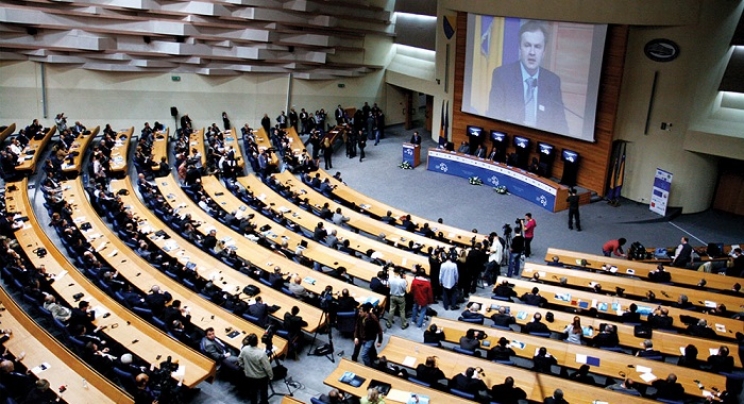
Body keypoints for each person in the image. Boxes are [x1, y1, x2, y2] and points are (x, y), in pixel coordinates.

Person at [486, 20, 568, 134]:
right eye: (527, 45)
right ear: (520, 48)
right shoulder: (502, 76)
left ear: (544, 51)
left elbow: (561, 126)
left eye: (537, 47)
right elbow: (493, 117)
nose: (532, 52)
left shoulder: (552, 82)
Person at [237, 333, 273, 404]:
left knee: (253, 392)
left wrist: (244, 367)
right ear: (257, 342)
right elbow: (267, 367)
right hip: (261, 377)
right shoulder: (261, 354)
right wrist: (271, 376)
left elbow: (239, 359)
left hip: (250, 376)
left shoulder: (244, 350)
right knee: (263, 391)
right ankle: (264, 402)